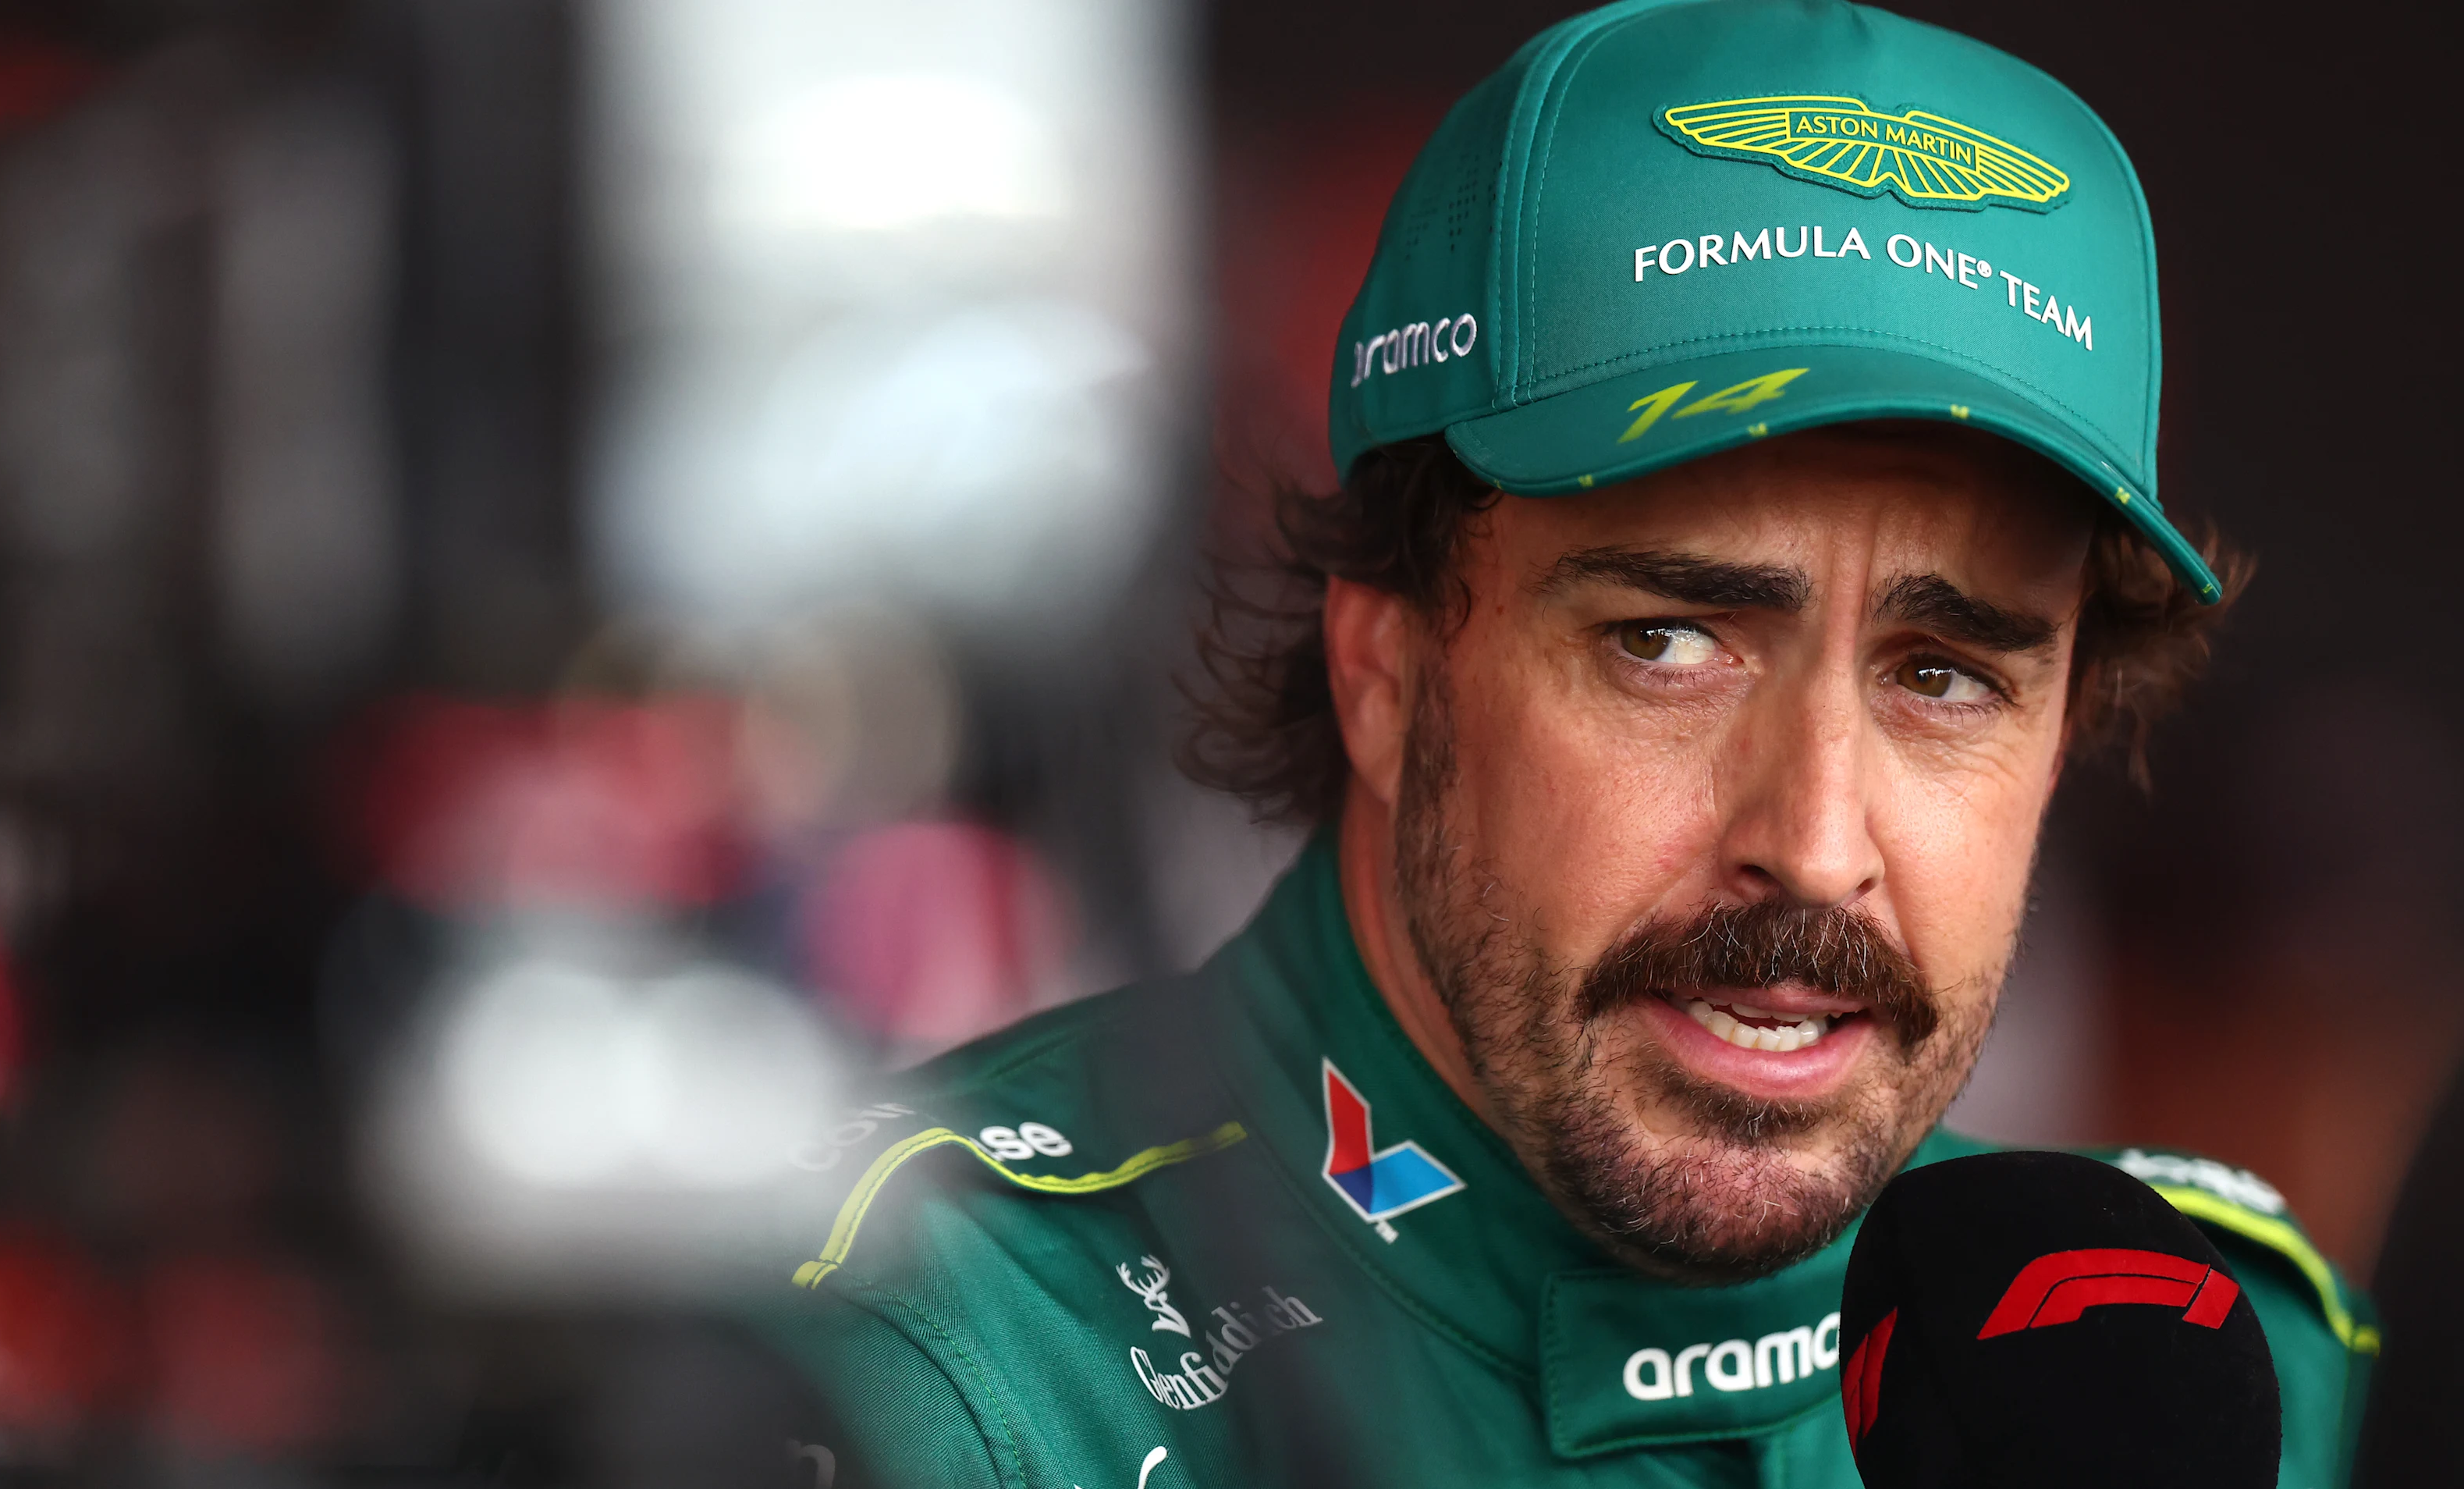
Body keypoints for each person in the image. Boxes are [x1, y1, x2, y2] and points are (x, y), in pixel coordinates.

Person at [753, 2, 2376, 1484]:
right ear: (1384, 673)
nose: (1814, 840)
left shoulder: (2221, 1380)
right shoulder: (926, 1380)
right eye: (1667, 642)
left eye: (1943, 674)